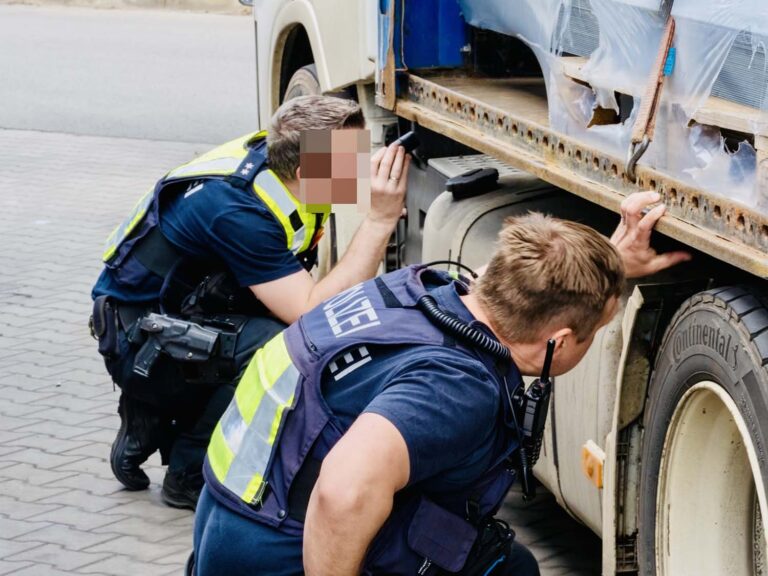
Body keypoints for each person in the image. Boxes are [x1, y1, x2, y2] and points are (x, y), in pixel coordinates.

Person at [190, 192, 690, 575]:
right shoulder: (455, 387)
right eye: (593, 331)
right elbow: (342, 493)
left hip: (231, 521)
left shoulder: (420, 292)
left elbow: (517, 276)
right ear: (557, 341)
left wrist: (604, 264)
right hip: (279, 553)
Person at [89, 95, 410, 509]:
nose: (362, 171)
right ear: (305, 172)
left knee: (273, 334)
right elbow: (310, 310)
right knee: (278, 349)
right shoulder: (236, 211)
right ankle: (187, 472)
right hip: (138, 344)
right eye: (351, 163)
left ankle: (151, 418)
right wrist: (380, 219)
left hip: (172, 317)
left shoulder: (282, 165)